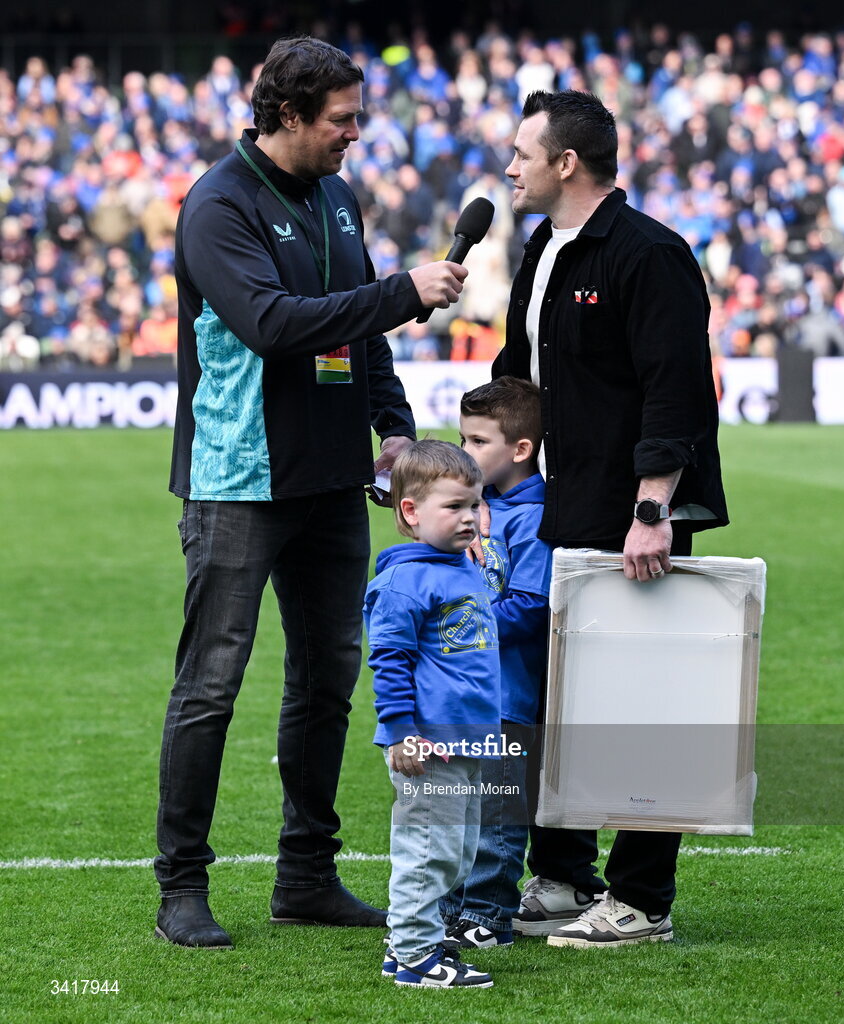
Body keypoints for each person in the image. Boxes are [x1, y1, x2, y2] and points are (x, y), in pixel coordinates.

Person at [155, 36, 469, 949]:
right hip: (240, 481)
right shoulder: (217, 205)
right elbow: (270, 325)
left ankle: (305, 877)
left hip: (335, 481)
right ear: (286, 115)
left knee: (330, 679)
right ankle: (181, 886)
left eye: (357, 118)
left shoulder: (337, 195)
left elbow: (358, 322)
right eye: (341, 120)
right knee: (210, 686)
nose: (355, 136)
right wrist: (405, 294)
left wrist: (395, 425)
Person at [494, 89, 728, 947]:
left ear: (567, 163)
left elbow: (676, 390)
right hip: (553, 510)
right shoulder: (540, 249)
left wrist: (652, 508)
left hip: (632, 516)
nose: (509, 166)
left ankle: (641, 899)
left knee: (638, 707)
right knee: (563, 705)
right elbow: (519, 374)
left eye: (523, 152)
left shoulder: (650, 254)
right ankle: (560, 878)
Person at [365, 440, 499, 988]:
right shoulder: (405, 581)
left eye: (474, 504)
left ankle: (411, 945)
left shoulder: (459, 566)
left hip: (468, 739)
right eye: (453, 507)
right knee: (428, 850)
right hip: (428, 744)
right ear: (410, 512)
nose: (468, 517)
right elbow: (389, 660)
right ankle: (414, 956)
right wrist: (402, 733)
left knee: (456, 852)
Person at [440, 376, 553, 948]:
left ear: (521, 449)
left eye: (478, 441)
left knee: (497, 820)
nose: (465, 453)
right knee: (458, 815)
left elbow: (531, 606)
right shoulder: (467, 509)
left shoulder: (536, 520)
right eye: (462, 438)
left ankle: (487, 916)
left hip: (508, 699)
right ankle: (456, 908)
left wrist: (458, 628)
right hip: (459, 697)